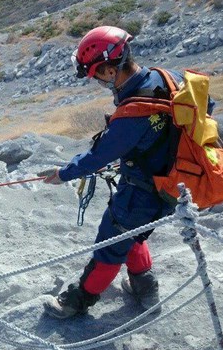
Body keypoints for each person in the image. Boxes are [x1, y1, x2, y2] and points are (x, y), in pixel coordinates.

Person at [41, 25, 196, 318]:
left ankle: (78, 300)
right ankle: (145, 287)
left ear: (110, 71)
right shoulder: (168, 78)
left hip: (142, 193)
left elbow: (97, 157)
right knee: (131, 233)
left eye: (96, 75)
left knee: (111, 242)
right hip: (173, 183)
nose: (97, 81)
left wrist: (63, 174)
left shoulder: (131, 115)